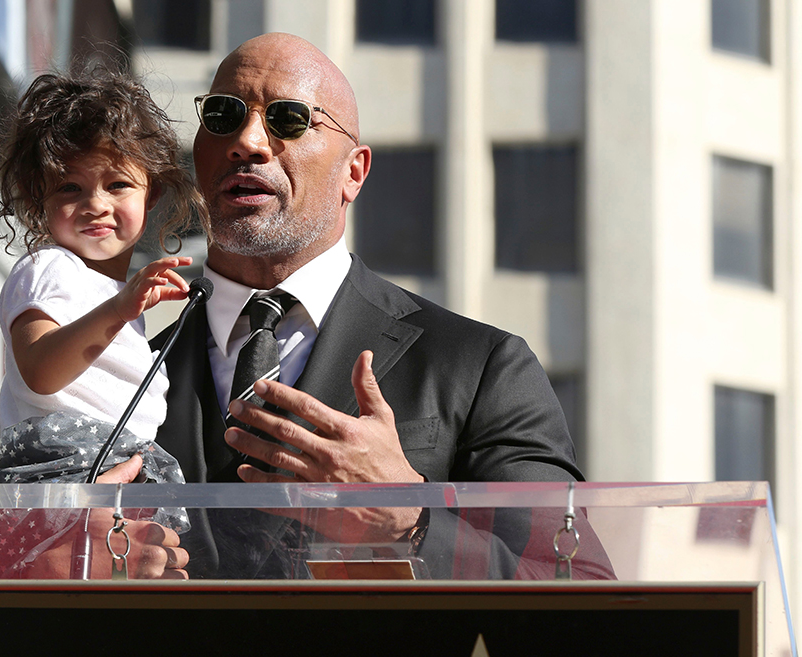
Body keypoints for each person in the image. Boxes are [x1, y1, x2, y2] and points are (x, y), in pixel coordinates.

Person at [153, 33, 613, 580]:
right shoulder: (123, 373)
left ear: (353, 172)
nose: (248, 141)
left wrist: (409, 519)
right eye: (225, 116)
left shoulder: (480, 366)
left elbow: (577, 591)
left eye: (289, 119)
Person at [0, 70, 204, 579]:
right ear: (38, 199)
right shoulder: (49, 269)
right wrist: (118, 311)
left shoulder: (120, 302)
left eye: (117, 184)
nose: (96, 204)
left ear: (151, 193)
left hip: (117, 488)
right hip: (62, 476)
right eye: (71, 187)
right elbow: (41, 370)